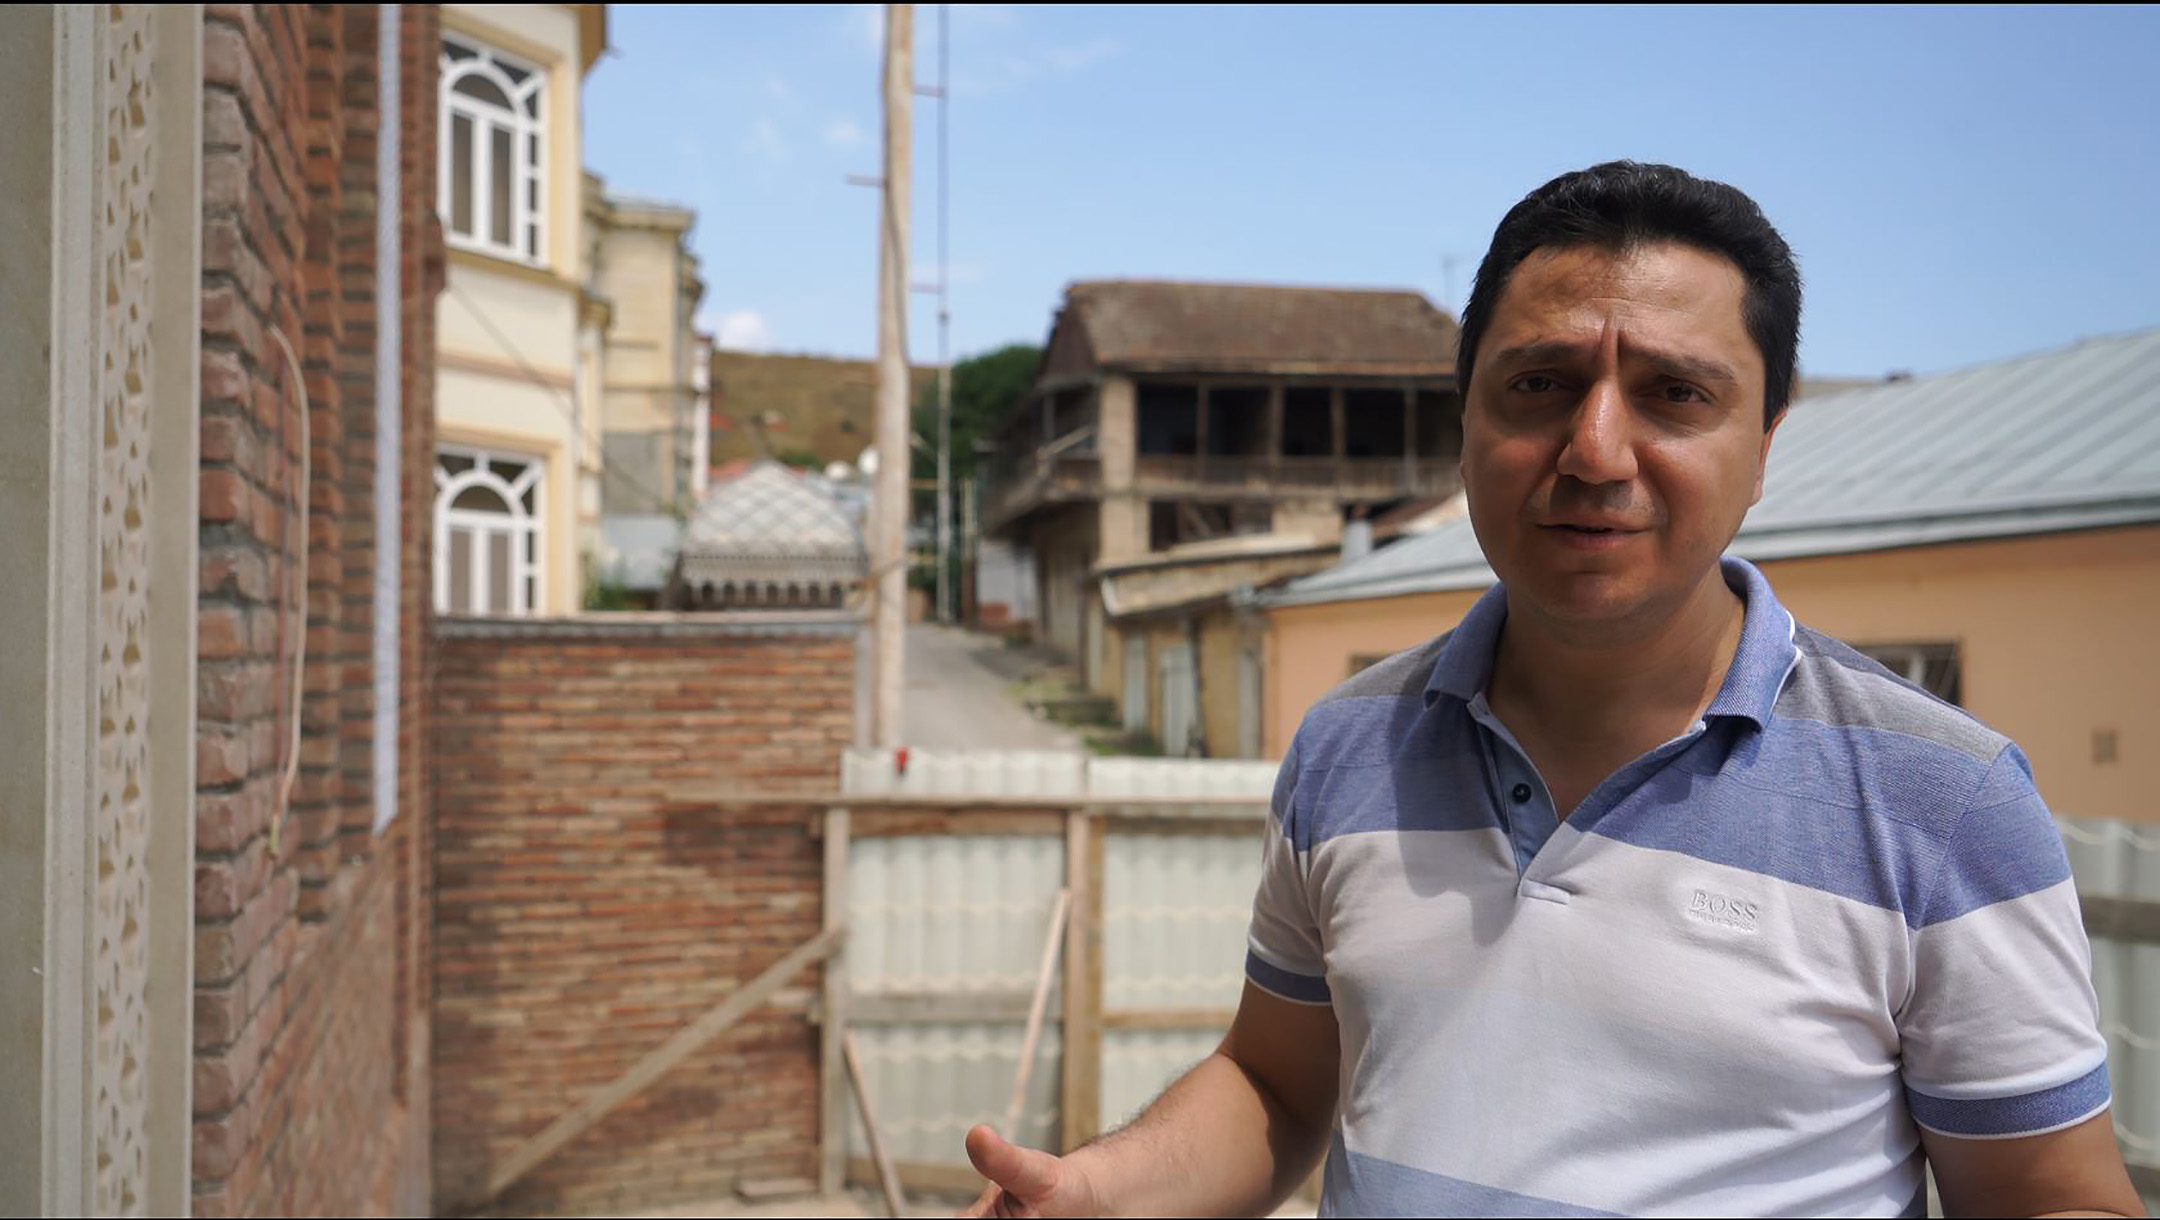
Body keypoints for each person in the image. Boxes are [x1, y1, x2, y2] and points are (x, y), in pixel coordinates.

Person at [960, 161, 2145, 1218]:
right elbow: (1277, 1082)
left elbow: (2052, 1199)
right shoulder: (1345, 744)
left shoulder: (1944, 800)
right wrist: (1108, 1190)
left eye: (1676, 393)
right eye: (1539, 384)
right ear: (1465, 421)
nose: (1595, 449)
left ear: (1768, 438)